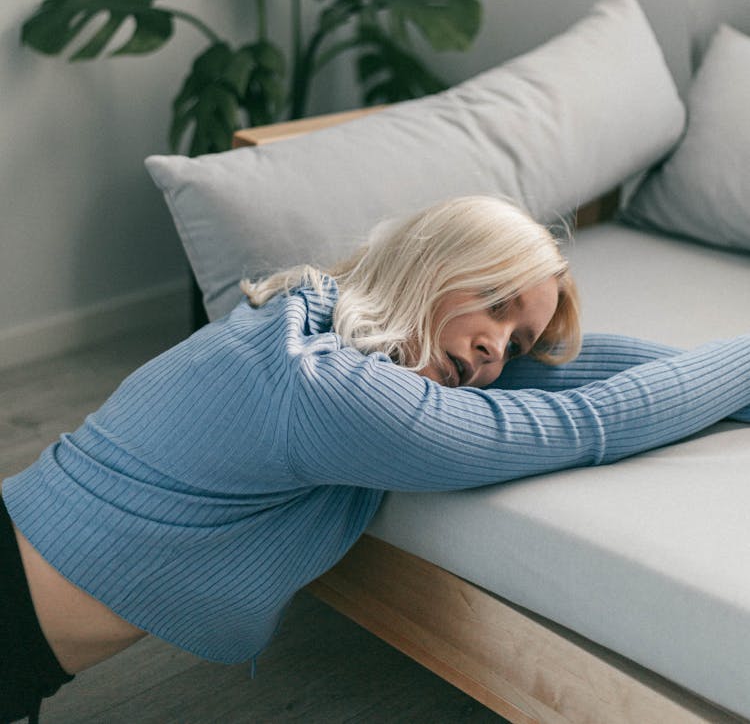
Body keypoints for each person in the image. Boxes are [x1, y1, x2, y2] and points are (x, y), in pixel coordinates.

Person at [2, 194, 749, 724]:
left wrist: (726, 386)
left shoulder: (314, 318)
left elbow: (545, 370)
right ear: (431, 262)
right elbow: (580, 422)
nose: (498, 349)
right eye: (494, 302)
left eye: (514, 339)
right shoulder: (333, 392)